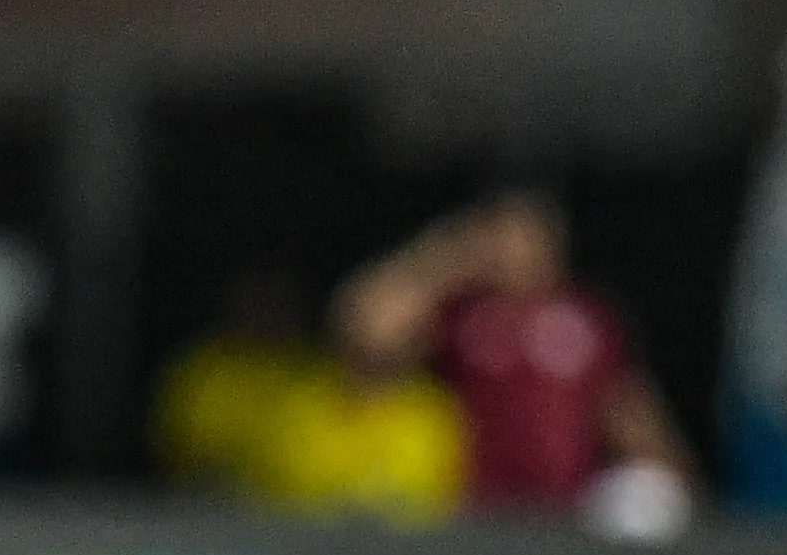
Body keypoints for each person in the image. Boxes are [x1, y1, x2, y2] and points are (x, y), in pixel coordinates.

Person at [334, 187, 693, 536]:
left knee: (649, 492)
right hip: (475, 509)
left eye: (531, 235)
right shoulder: (463, 314)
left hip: (570, 512)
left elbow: (630, 412)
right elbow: (370, 323)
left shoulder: (588, 317)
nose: (518, 249)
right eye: (505, 236)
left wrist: (686, 489)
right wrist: (455, 254)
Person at [154, 269, 466, 526]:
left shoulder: (434, 414)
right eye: (361, 320)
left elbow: (438, 509)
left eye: (397, 327)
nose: (376, 339)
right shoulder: (295, 401)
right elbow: (264, 491)